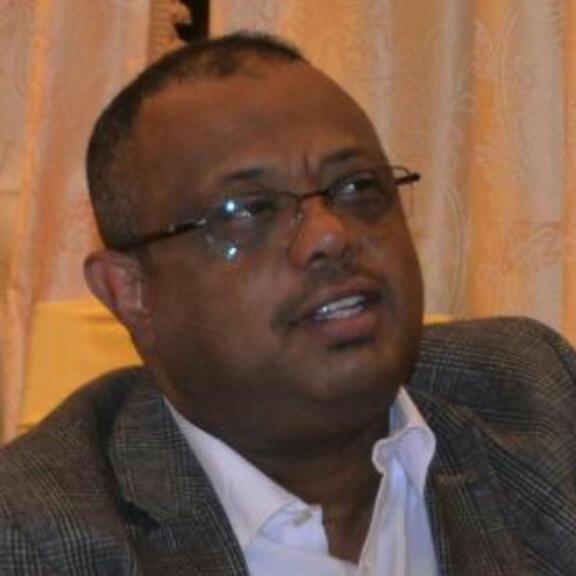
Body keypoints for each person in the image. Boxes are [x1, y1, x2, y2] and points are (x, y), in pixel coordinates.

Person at [0, 32, 575, 576]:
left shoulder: (532, 398)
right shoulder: (37, 535)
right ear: (131, 292)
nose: (330, 234)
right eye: (247, 211)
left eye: (358, 187)